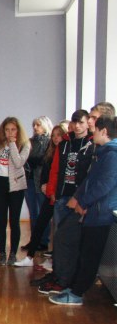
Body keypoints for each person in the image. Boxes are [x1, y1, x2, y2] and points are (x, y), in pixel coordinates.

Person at [49, 116, 117, 305]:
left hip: (100, 213)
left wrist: (83, 203)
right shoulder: (104, 153)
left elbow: (103, 185)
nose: (92, 134)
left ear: (104, 131)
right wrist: (79, 199)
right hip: (94, 211)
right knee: (84, 252)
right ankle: (74, 288)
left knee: (90, 256)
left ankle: (77, 294)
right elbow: (91, 181)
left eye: (95, 130)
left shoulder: (112, 155)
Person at [35, 110, 95, 294]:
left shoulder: (92, 144)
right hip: (62, 197)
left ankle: (67, 279)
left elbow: (91, 176)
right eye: (74, 122)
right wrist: (53, 191)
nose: (77, 126)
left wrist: (82, 200)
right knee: (59, 239)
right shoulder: (64, 143)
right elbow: (55, 169)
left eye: (81, 122)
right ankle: (58, 275)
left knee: (72, 241)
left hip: (79, 200)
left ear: (87, 123)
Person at [0, 117, 31, 266]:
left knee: (14, 221)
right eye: (7, 130)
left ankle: (13, 254)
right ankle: (2, 253)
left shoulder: (25, 144)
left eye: (13, 129)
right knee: (0, 220)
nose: (10, 132)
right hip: (0, 184)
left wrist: (12, 144)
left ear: (18, 130)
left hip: (16, 186)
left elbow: (18, 162)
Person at [23, 116, 53, 248]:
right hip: (29, 179)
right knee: (33, 212)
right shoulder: (29, 142)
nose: (35, 127)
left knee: (43, 212)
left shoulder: (50, 142)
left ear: (45, 126)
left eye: (38, 125)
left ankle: (43, 240)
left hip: (42, 181)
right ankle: (34, 240)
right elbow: (25, 159)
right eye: (34, 125)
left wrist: (34, 160)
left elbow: (45, 160)